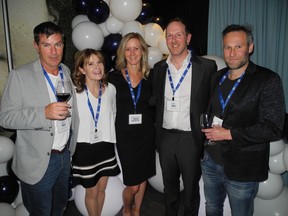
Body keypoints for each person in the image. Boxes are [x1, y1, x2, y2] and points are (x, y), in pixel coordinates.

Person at [200, 24, 286, 216]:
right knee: (212, 208)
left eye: (238, 46)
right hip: (210, 161)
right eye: (227, 47)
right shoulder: (217, 77)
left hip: (243, 168)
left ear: (250, 47)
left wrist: (229, 133)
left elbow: (273, 128)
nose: (231, 53)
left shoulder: (267, 79)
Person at [0, 21, 79, 215]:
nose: (53, 52)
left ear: (63, 44)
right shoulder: (19, 75)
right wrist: (42, 113)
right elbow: (5, 117)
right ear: (36, 46)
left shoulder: (66, 71)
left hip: (64, 156)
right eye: (46, 45)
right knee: (41, 212)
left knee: (60, 207)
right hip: (39, 162)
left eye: (58, 44)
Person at [151, 17, 217, 216]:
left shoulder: (206, 67)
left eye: (178, 34)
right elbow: (155, 101)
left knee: (190, 189)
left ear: (188, 38)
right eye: (169, 35)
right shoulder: (159, 69)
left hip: (191, 138)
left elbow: (213, 103)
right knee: (169, 188)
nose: (173, 39)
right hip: (166, 138)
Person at [107, 32, 156, 216]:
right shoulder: (113, 78)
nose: (133, 53)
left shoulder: (150, 78)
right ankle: (127, 209)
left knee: (142, 177)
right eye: (128, 49)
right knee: (133, 184)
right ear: (122, 52)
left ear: (142, 51)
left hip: (146, 135)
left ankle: (137, 210)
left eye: (136, 48)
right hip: (125, 137)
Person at [71, 49, 120, 216]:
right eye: (90, 64)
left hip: (105, 146)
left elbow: (113, 114)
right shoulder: (74, 93)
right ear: (81, 69)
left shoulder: (111, 89)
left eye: (99, 62)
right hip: (85, 148)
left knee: (102, 189)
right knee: (91, 193)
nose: (97, 67)